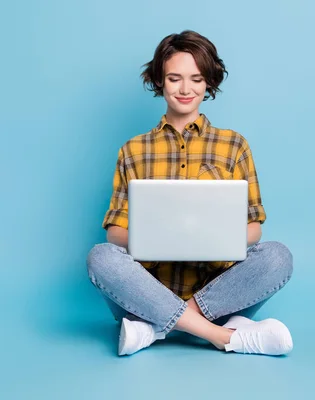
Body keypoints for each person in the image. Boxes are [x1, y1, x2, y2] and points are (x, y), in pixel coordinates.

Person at [87, 30, 294, 356]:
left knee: (277, 256)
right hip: (144, 295)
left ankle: (156, 330)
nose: (185, 89)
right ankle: (224, 336)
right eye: (174, 78)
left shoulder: (234, 145)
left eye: (196, 79)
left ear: (209, 82)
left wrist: (215, 238)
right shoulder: (133, 150)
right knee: (100, 257)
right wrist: (161, 236)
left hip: (219, 294)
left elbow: (255, 227)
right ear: (159, 80)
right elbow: (115, 232)